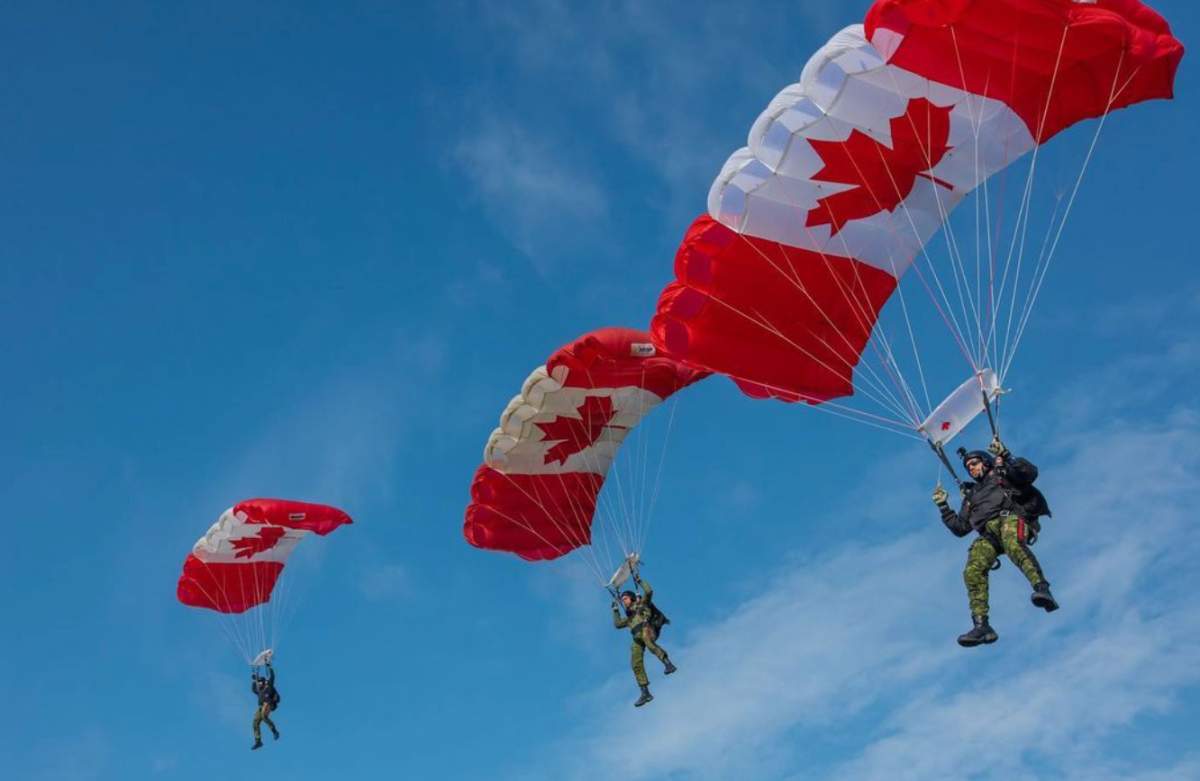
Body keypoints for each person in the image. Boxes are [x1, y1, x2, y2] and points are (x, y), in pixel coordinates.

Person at [933, 437, 1058, 647]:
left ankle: (1042, 589)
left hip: (1010, 519)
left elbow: (1029, 474)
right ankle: (982, 626)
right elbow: (960, 528)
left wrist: (1007, 456)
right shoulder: (971, 496)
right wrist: (944, 507)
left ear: (985, 461)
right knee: (972, 569)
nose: (971, 469)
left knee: (1013, 544)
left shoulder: (1002, 475)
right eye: (968, 467)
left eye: (974, 463)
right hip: (989, 535)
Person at [612, 570, 677, 707]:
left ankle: (668, 664)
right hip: (637, 638)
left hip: (648, 630)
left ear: (632, 598)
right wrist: (615, 611)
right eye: (622, 600)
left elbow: (649, 592)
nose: (623, 601)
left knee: (647, 639)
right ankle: (645, 692)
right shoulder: (629, 618)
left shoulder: (642, 604)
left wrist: (639, 581)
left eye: (625, 599)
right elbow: (618, 624)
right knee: (635, 661)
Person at [250, 663, 281, 750]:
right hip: (261, 707)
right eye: (258, 682)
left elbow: (272, 676)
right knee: (255, 722)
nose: (258, 684)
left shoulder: (269, 687)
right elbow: (253, 689)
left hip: (268, 704)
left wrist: (269, 667)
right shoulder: (259, 691)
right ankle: (258, 741)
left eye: (260, 682)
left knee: (264, 716)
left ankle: (274, 731)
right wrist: (254, 678)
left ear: (263, 682)